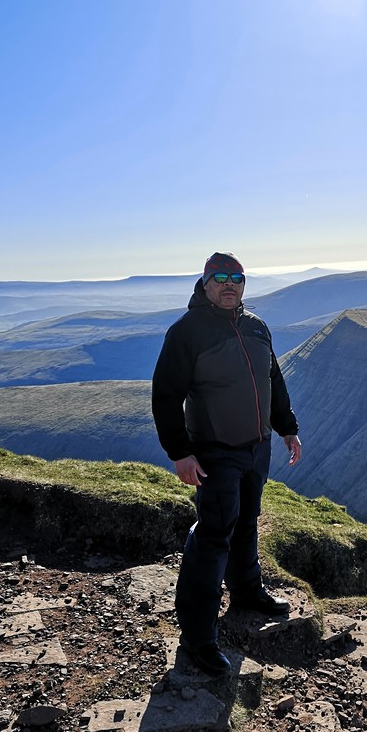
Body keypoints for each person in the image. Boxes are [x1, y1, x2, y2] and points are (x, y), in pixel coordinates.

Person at [151, 252, 302, 675]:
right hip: (214, 451)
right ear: (204, 282)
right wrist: (180, 452)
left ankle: (247, 591)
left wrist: (286, 427)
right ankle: (198, 637)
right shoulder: (186, 332)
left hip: (257, 446)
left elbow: (272, 379)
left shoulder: (256, 326)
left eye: (236, 277)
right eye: (220, 277)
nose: (229, 284)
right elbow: (165, 395)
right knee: (214, 535)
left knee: (247, 520)